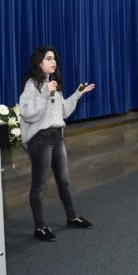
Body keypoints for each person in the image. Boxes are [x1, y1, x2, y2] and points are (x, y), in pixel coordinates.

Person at [18, 45, 96, 242]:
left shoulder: (53, 84)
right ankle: (40, 227)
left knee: (64, 180)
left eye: (54, 59)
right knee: (39, 185)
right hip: (40, 140)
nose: (53, 62)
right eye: (48, 58)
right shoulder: (32, 85)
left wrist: (78, 93)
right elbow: (27, 114)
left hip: (57, 137)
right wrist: (45, 93)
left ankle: (72, 217)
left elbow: (62, 112)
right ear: (39, 62)